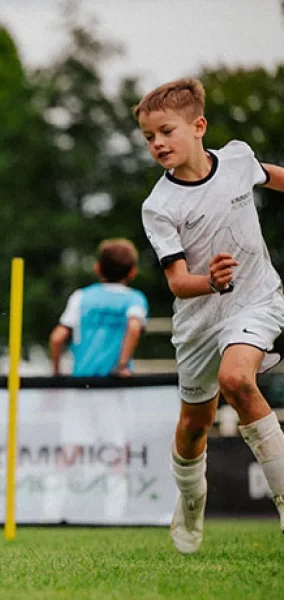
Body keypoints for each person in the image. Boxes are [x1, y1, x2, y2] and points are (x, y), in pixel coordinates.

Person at [136, 77, 284, 554]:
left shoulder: (238, 160)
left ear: (198, 126)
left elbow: (271, 175)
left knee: (239, 379)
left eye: (166, 131)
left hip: (256, 299)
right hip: (198, 320)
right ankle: (192, 505)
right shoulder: (159, 206)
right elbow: (178, 282)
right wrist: (212, 281)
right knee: (194, 425)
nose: (157, 143)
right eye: (149, 137)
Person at [49, 239, 149, 377]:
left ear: (97, 268)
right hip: (116, 383)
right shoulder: (135, 298)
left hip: (82, 381)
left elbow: (57, 338)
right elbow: (134, 327)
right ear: (132, 272)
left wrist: (56, 373)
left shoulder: (80, 296)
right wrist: (122, 366)